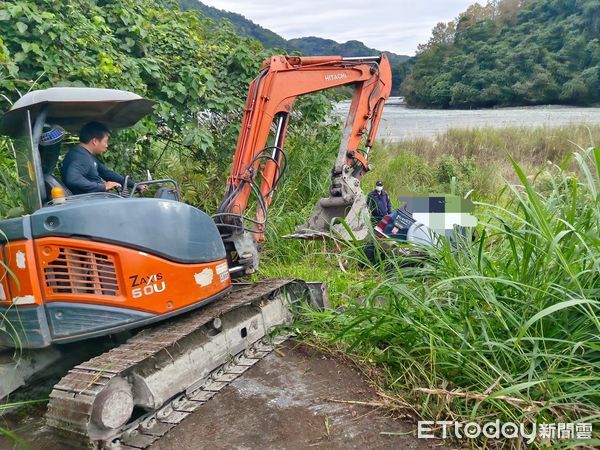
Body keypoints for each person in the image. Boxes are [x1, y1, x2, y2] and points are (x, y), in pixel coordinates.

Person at [61, 122, 136, 195]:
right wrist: (103, 186)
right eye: (106, 141)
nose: (107, 145)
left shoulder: (85, 155)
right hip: (87, 202)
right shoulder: (80, 157)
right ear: (95, 141)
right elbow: (73, 179)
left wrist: (134, 185)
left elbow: (107, 173)